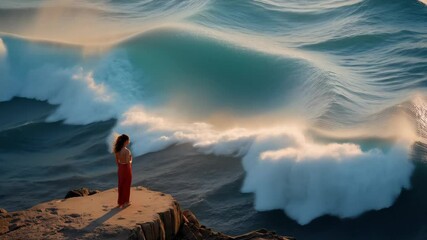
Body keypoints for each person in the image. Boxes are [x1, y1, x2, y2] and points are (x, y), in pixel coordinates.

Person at [113, 134, 132, 208]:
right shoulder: (126, 151)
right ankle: (126, 202)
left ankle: (120, 202)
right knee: (127, 184)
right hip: (126, 168)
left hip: (120, 168)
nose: (129, 141)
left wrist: (120, 167)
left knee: (121, 185)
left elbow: (117, 161)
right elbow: (128, 161)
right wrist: (131, 160)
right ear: (126, 141)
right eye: (128, 140)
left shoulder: (117, 149)